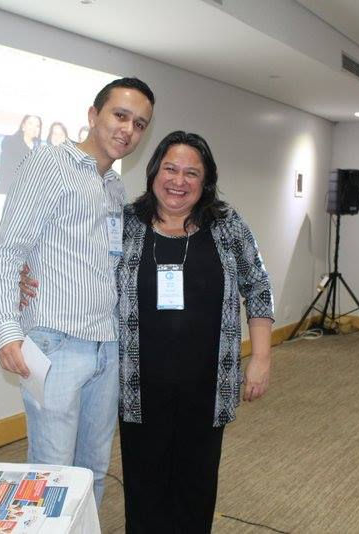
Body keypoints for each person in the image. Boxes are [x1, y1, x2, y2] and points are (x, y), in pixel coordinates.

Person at [20, 131, 273, 532]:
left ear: (206, 180)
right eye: (170, 169)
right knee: (144, 488)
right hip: (138, 386)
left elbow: (257, 286)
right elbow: (76, 260)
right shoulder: (125, 223)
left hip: (208, 386)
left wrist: (260, 358)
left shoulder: (226, 225)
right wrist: (25, 272)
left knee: (196, 487)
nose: (179, 181)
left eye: (192, 173)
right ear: (154, 172)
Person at [0, 77, 155, 507]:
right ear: (93, 115)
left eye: (139, 124)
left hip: (106, 346)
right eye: (120, 115)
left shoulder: (114, 186)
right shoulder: (49, 163)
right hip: (55, 344)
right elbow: (7, 251)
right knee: (51, 475)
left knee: (92, 472)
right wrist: (6, 331)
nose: (128, 130)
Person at [0, 115, 41, 194]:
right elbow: (5, 173)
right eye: (30, 123)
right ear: (23, 126)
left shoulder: (38, 149)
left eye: (37, 126)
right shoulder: (10, 143)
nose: (34, 128)